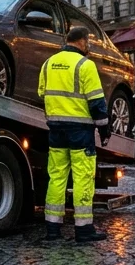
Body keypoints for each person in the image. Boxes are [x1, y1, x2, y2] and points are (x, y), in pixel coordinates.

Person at [39, 26, 112, 243]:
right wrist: (104, 129)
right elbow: (97, 102)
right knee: (82, 177)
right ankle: (84, 228)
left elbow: (42, 93)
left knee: (56, 177)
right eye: (88, 42)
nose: (88, 46)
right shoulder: (85, 65)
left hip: (56, 129)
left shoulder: (48, 63)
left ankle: (53, 229)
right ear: (82, 41)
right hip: (80, 131)